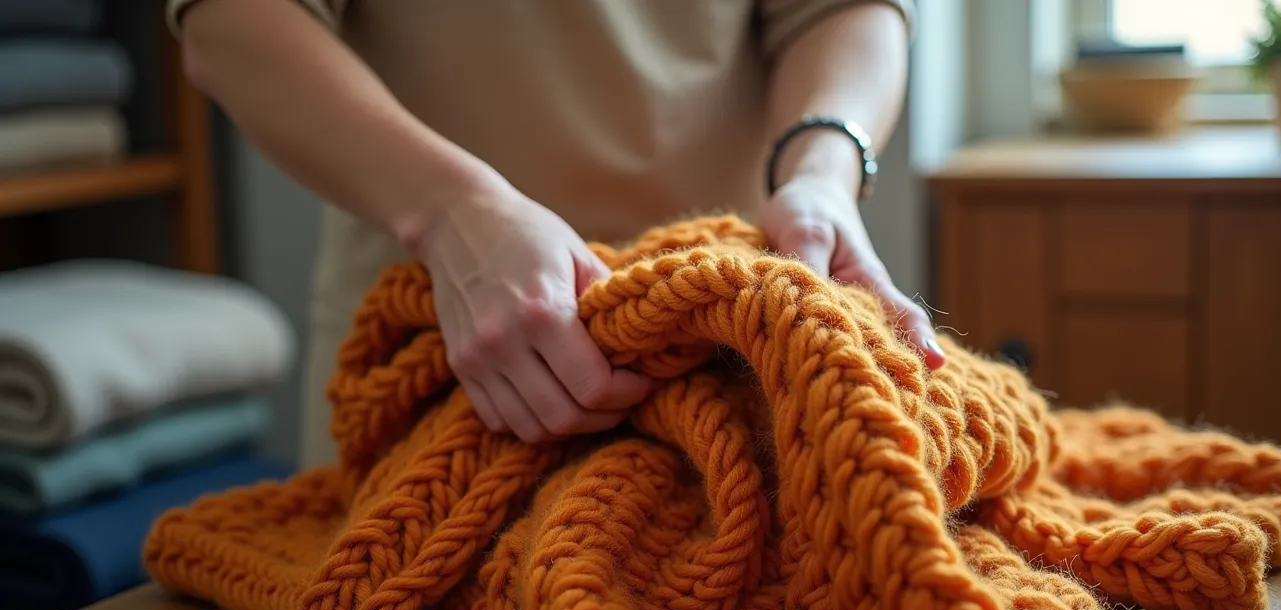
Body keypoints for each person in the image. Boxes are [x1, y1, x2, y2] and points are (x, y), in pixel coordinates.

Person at [166, 0, 945, 468]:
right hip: (433, 361)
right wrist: (449, 211)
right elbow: (233, 20)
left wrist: (820, 174)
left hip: (737, 374)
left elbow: (841, 7)